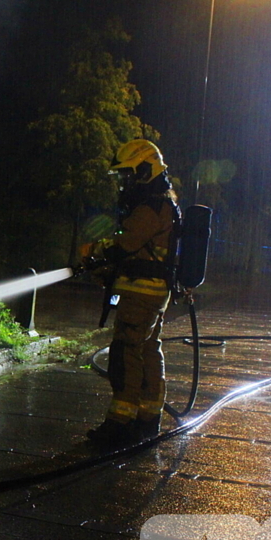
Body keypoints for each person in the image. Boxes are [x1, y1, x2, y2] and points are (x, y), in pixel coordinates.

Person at [79, 139, 179, 448]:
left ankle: (120, 425)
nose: (126, 182)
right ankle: (147, 419)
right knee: (148, 351)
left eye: (128, 174)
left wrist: (92, 251)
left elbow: (125, 243)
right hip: (152, 293)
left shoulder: (151, 207)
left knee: (124, 355)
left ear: (145, 170)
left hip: (141, 294)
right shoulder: (162, 203)